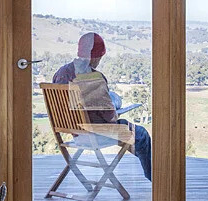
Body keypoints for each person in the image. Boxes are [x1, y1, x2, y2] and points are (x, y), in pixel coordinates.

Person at [53, 32, 152, 181]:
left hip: (72, 131)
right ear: (96, 56)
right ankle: (156, 179)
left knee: (113, 102)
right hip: (93, 133)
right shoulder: (94, 78)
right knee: (141, 134)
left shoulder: (60, 73)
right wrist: (116, 113)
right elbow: (110, 119)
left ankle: (113, 100)